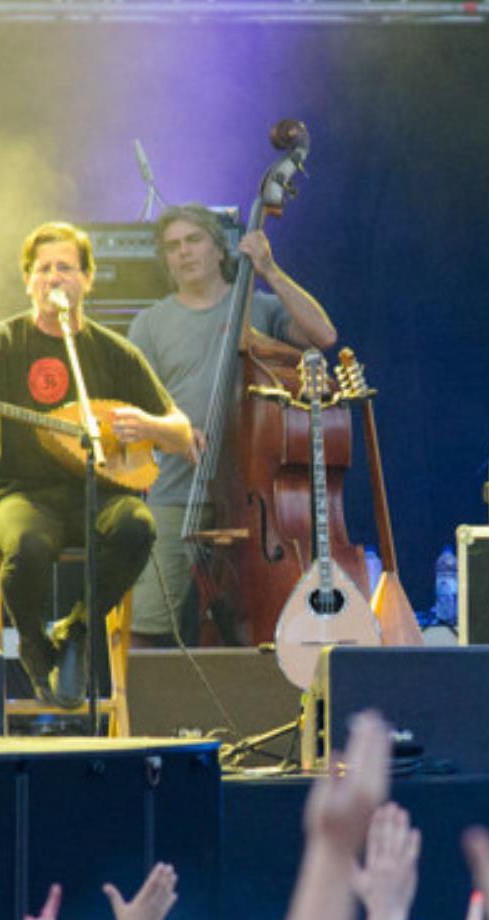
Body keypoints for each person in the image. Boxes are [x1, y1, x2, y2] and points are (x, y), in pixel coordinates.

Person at [0, 221, 191, 704]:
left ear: (87, 279)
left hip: (99, 493)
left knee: (137, 527)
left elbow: (183, 433)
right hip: (20, 494)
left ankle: (77, 631)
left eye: (65, 268)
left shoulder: (114, 352)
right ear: (27, 281)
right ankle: (34, 645)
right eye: (43, 269)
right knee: (27, 546)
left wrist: (149, 426)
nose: (53, 278)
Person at [125, 205, 338, 647]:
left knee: (263, 618)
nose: (184, 252)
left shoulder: (257, 307)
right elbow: (134, 410)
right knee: (147, 622)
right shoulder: (149, 324)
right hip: (177, 489)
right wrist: (171, 432)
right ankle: (147, 696)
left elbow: (323, 335)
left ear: (220, 249)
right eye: (173, 246)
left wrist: (269, 270)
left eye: (194, 240)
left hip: (253, 494)